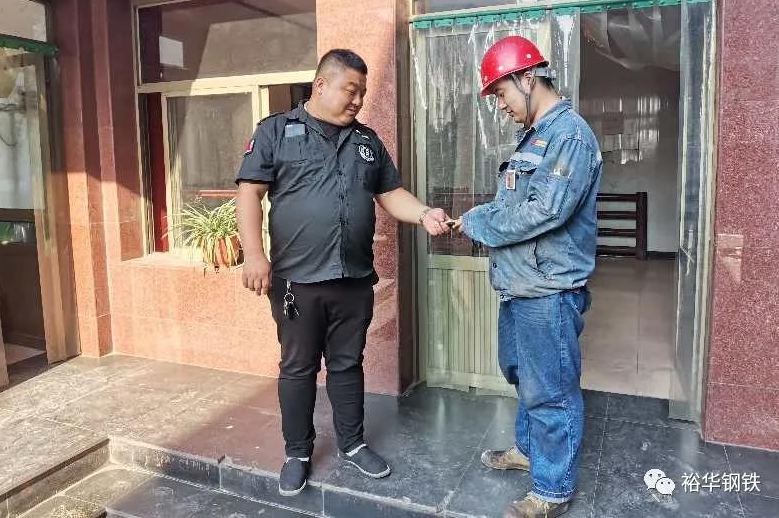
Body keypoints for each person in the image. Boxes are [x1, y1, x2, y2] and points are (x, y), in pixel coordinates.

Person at [235, 49, 451, 497]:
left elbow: (390, 193)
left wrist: (424, 213)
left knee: (348, 364)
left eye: (363, 93)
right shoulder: (276, 131)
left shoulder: (366, 141)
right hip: (297, 282)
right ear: (321, 84)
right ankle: (298, 453)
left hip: (353, 280)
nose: (358, 100)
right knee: (297, 368)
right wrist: (254, 255)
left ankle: (352, 443)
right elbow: (250, 193)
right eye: (350, 90)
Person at [453, 36, 602, 518]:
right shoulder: (535, 138)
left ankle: (553, 489)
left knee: (551, 389)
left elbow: (547, 211)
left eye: (501, 93)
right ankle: (530, 450)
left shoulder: (569, 136)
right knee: (521, 371)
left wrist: (478, 222)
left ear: (528, 78)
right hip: (519, 285)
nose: (500, 105)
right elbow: (515, 203)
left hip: (548, 289)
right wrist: (480, 215)